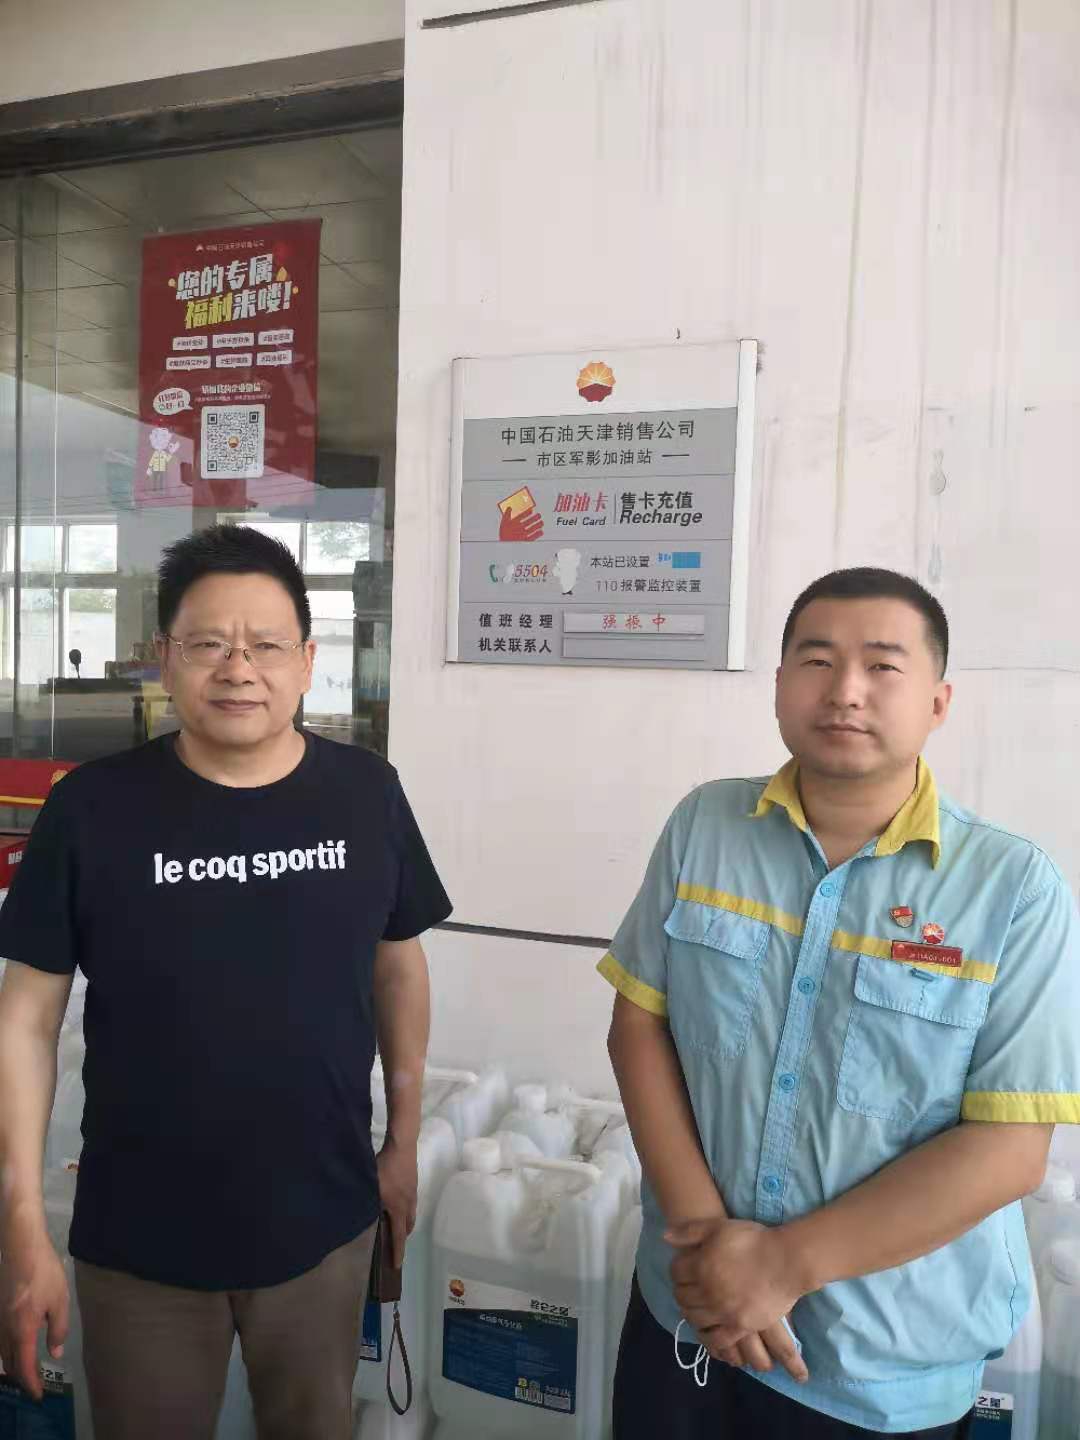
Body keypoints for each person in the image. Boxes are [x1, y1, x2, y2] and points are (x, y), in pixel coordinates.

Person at [601, 567, 1080, 1439]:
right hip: (687, 1313)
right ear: (781, 685)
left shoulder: (1013, 889)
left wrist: (783, 1265)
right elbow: (640, 1024)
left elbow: (1010, 1147)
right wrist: (710, 1248)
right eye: (817, 661)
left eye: (883, 666)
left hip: (880, 1363)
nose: (846, 691)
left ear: (937, 702)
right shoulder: (706, 825)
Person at [0, 524, 451, 1440]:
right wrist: (20, 1223)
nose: (238, 669)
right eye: (208, 643)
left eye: (266, 645)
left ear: (308, 662)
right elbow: (25, 1019)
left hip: (323, 1223)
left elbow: (399, 966)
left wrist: (402, 1143)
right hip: (140, 1239)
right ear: (164, 658)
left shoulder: (367, 793)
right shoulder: (92, 808)